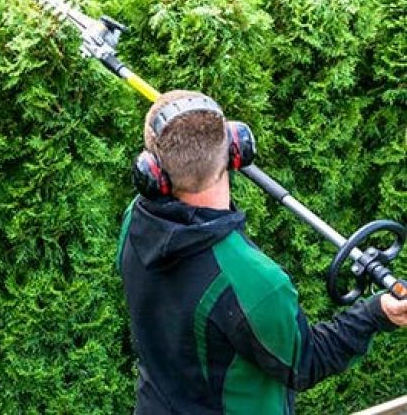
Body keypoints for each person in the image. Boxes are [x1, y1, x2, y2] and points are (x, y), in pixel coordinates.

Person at [116, 89, 407, 414]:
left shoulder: (136, 221)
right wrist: (375, 313)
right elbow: (305, 362)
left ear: (151, 172)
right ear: (237, 149)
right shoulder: (254, 280)